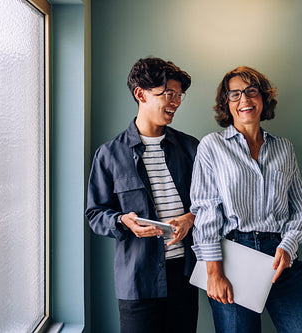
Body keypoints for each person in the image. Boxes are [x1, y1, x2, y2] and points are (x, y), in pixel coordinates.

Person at [190, 66, 302, 332]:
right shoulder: (211, 146)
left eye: (252, 91)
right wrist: (213, 272)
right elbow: (206, 210)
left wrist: (287, 247)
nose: (245, 100)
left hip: (281, 260)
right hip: (231, 259)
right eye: (235, 94)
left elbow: (300, 209)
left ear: (263, 98)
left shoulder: (284, 148)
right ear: (226, 103)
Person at [86, 57, 199, 333]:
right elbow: (95, 214)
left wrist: (190, 217)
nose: (175, 102)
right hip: (138, 281)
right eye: (168, 94)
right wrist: (123, 221)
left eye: (178, 95)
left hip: (184, 276)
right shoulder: (108, 154)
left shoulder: (190, 147)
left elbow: (211, 202)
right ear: (141, 94)